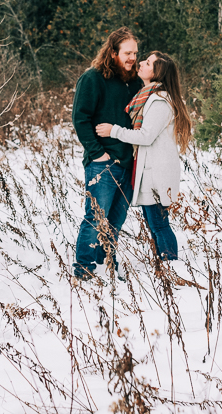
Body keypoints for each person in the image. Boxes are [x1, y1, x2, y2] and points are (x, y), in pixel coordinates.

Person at [96, 51, 192, 264]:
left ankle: (171, 265)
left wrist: (114, 131)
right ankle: (165, 264)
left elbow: (145, 136)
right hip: (151, 171)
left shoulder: (159, 101)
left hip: (156, 173)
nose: (141, 63)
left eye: (148, 63)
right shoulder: (149, 96)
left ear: (157, 73)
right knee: (155, 223)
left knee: (159, 224)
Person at [71, 27, 143, 280]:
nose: (132, 57)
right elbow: (80, 119)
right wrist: (97, 153)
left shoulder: (135, 82)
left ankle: (105, 264)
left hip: (128, 162)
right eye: (127, 53)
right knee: (95, 217)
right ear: (113, 53)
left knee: (116, 219)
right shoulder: (93, 78)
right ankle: (84, 269)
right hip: (102, 163)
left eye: (135, 53)